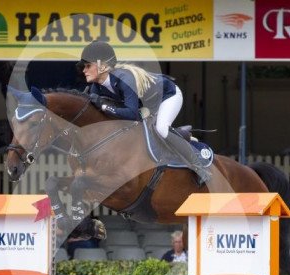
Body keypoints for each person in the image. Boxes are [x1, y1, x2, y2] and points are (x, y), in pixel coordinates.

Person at [77, 40, 211, 185]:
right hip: (145, 105)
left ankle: (199, 164)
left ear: (102, 66)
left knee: (161, 129)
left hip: (167, 96)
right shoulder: (97, 87)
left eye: (88, 66)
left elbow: (131, 114)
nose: (84, 70)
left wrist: (103, 106)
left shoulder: (124, 79)